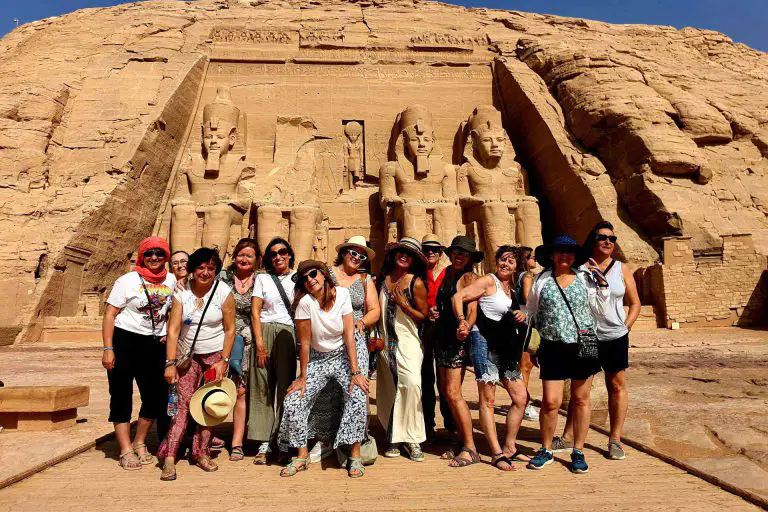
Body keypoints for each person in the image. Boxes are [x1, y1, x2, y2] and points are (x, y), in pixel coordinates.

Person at [555, 222, 641, 460]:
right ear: (593, 241)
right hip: (586, 335)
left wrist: (626, 325)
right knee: (580, 390)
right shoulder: (579, 270)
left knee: (616, 385)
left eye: (612, 239)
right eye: (603, 237)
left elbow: (635, 302)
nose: (608, 242)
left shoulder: (621, 269)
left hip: (615, 336)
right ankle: (569, 436)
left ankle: (615, 440)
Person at [278, 261, 369, 478]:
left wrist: (355, 372)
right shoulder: (305, 303)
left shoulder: (343, 294)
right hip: (319, 358)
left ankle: (355, 455)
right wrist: (302, 377)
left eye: (313, 274)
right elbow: (305, 344)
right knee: (293, 400)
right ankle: (302, 455)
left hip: (344, 354)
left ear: (324, 274)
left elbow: (349, 335)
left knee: (357, 395)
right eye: (304, 278)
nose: (310, 280)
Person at [524, 235, 607, 474]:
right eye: (560, 251)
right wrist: (532, 344)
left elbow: (600, 308)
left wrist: (601, 281)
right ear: (552, 255)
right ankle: (546, 449)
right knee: (551, 402)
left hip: (583, 343)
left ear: (575, 256)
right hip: (552, 345)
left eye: (569, 252)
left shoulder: (584, 278)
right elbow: (532, 311)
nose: (564, 255)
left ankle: (578, 450)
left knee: (581, 399)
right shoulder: (542, 280)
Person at [158, 247, 236, 480]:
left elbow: (230, 329)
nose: (205, 272)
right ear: (192, 269)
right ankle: (170, 456)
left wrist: (224, 360)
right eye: (200, 267)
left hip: (214, 356)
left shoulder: (223, 291)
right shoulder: (182, 293)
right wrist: (170, 363)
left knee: (209, 405)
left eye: (210, 268)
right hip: (187, 358)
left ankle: (201, 452)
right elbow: (173, 330)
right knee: (182, 406)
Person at [452, 245, 529, 471]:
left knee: (521, 398)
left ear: (516, 267)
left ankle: (510, 447)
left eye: (511, 261)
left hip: (504, 347)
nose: (506, 264)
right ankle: (496, 453)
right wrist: (462, 320)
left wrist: (520, 314)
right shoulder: (488, 281)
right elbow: (458, 296)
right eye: (503, 259)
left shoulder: (511, 289)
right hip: (483, 342)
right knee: (488, 399)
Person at [102, 236, 175, 470]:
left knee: (155, 396)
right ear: (141, 256)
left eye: (159, 253)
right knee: (121, 394)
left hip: (155, 343)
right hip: (125, 340)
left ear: (166, 256)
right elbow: (110, 314)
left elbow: (174, 311)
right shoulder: (127, 280)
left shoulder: (171, 280)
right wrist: (108, 348)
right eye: (149, 253)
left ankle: (140, 441)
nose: (154, 258)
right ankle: (125, 449)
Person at [308, 236, 380, 463]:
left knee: (355, 388)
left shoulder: (364, 279)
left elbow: (374, 309)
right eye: (354, 253)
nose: (357, 258)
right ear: (344, 253)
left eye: (362, 256)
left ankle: (353, 442)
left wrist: (362, 322)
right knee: (326, 389)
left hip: (356, 338)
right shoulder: (327, 274)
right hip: (328, 337)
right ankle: (324, 439)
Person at [377, 237, 429, 461]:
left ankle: (413, 438)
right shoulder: (382, 280)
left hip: (408, 342)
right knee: (390, 390)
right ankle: (394, 437)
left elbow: (422, 316)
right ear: (394, 254)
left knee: (412, 384)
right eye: (401, 252)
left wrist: (403, 305)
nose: (404, 256)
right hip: (385, 343)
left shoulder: (415, 283)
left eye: (410, 254)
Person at [434, 235, 483, 467]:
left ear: (470, 258)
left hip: (457, 340)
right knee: (446, 392)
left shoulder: (469, 277)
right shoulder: (449, 274)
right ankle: (460, 440)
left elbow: (472, 308)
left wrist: (466, 324)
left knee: (454, 393)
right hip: (443, 337)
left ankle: (470, 448)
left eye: (464, 253)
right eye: (456, 252)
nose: (459, 256)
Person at [249, 237, 297, 464]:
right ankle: (263, 440)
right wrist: (260, 343)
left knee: (286, 387)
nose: (278, 256)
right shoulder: (263, 278)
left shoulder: (298, 278)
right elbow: (255, 311)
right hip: (265, 330)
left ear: (290, 255)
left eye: (283, 252)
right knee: (262, 387)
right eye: (273, 253)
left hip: (287, 333)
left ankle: (283, 439)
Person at [217, 238, 261, 461]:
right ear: (234, 257)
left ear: (256, 260)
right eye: (241, 255)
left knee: (243, 389)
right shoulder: (221, 277)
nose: (244, 259)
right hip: (224, 338)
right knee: (220, 386)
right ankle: (208, 435)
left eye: (249, 255)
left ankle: (238, 441)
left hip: (252, 340)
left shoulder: (262, 279)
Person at [419, 234, 455, 439]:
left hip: (444, 328)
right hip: (423, 327)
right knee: (425, 377)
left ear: (441, 253)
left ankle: (450, 422)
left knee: (445, 378)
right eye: (427, 249)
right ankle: (427, 423)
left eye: (435, 249)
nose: (431, 252)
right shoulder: (418, 273)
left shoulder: (448, 272)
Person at [515, 246, 540, 422]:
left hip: (520, 321)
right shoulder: (527, 276)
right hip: (527, 322)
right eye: (531, 257)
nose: (534, 260)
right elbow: (527, 298)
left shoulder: (517, 276)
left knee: (524, 365)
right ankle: (523, 403)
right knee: (526, 366)